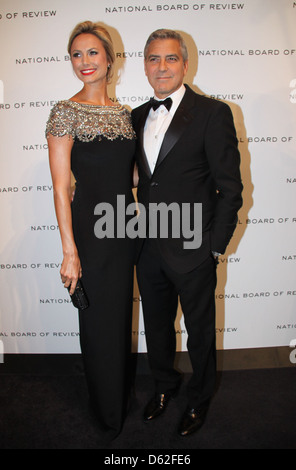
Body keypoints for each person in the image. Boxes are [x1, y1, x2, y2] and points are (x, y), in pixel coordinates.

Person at [132, 29, 243, 437]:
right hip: (148, 248)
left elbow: (230, 189)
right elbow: (143, 179)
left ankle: (199, 398)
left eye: (170, 59)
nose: (161, 67)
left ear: (185, 63)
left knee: (199, 332)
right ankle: (164, 386)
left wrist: (214, 248)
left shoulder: (213, 113)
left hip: (195, 249)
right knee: (156, 327)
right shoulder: (136, 116)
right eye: (153, 59)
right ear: (144, 65)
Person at [46, 21, 136, 440]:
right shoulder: (65, 112)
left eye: (92, 53)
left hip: (127, 226)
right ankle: (106, 412)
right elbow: (62, 186)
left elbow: (130, 176)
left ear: (109, 59)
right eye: (77, 54)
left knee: (119, 316)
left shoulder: (125, 114)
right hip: (91, 230)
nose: (84, 61)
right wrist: (70, 250)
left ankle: (117, 394)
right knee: (98, 320)